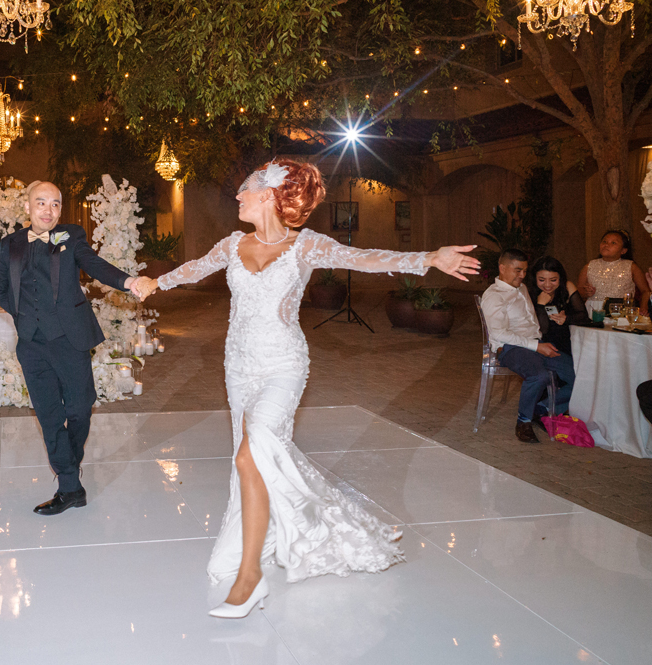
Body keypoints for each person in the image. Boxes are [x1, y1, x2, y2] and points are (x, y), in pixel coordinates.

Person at [131, 159, 479, 619]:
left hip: (284, 365)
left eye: (245, 190)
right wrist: (156, 281)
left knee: (249, 454)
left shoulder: (307, 246)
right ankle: (328, 524)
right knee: (257, 456)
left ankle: (249, 578)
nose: (237, 196)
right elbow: (194, 269)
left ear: (270, 196)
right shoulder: (232, 245)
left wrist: (429, 257)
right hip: (237, 368)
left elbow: (366, 259)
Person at [0, 181, 141, 516]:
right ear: (27, 207)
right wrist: (22, 313)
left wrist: (128, 281)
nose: (48, 210)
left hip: (70, 340)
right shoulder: (10, 244)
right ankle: (70, 486)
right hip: (31, 344)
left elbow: (94, 263)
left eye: (55, 204)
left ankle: (68, 465)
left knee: (79, 409)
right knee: (49, 416)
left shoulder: (67, 236)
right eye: (41, 203)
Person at [481, 249, 575, 444]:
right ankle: (523, 421)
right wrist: (536, 347)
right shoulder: (494, 296)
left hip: (535, 344)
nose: (522, 275)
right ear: (502, 268)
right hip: (509, 349)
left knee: (577, 374)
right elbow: (498, 334)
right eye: (517, 270)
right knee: (538, 376)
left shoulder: (521, 288)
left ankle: (541, 409)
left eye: (524, 270)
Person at [528, 255, 588, 356]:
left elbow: (584, 316)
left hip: (566, 344)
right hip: (540, 346)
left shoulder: (567, 287)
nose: (547, 285)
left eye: (553, 280)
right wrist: (541, 305)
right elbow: (542, 330)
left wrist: (566, 318)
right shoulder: (529, 293)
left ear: (560, 278)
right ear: (535, 278)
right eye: (542, 280)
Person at [577, 230, 649, 314]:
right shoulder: (589, 266)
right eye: (604, 241)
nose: (607, 245)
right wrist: (586, 293)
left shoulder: (631, 267)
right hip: (594, 310)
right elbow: (579, 290)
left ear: (623, 250)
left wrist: (643, 308)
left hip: (621, 311)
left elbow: (645, 291)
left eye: (613, 243)